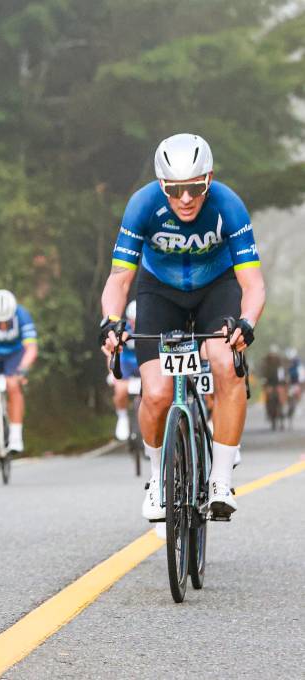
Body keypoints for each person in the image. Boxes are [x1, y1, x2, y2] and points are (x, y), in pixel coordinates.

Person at [101, 133, 265, 520]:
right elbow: (119, 279)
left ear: (208, 179)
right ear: (162, 185)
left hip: (217, 288)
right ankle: (158, 480)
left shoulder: (229, 205)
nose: (186, 198)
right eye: (175, 189)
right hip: (160, 292)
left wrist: (247, 322)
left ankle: (221, 479)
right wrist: (111, 321)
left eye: (194, 187)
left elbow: (253, 283)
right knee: (155, 394)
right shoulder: (142, 205)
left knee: (226, 364)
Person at [0, 290, 39, 457]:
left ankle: (16, 436)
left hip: (14, 353)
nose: (3, 325)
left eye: (7, 321)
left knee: (13, 385)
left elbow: (31, 348)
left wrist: (23, 369)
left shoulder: (22, 315)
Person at [106, 300, 140, 442]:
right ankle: (122, 416)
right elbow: (111, 352)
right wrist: (111, 372)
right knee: (120, 390)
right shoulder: (122, 328)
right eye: (132, 321)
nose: (134, 324)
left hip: (142, 362)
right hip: (125, 363)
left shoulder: (152, 326)